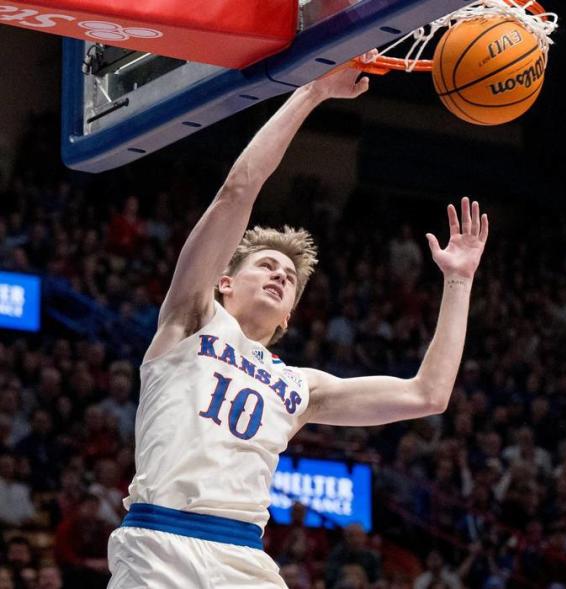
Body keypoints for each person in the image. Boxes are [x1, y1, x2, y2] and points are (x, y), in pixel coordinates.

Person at [105, 62, 490, 588]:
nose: (279, 274)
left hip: (244, 559)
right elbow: (238, 190)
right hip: (161, 543)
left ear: (289, 315)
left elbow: (429, 394)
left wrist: (459, 280)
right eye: (265, 265)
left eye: (288, 276)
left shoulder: (300, 386)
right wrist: (311, 92)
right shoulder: (190, 319)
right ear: (224, 282)